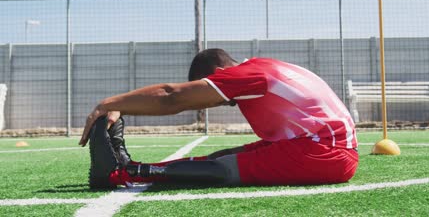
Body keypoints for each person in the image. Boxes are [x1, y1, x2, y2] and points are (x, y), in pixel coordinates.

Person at [80, 48, 358, 189]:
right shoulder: (264, 66)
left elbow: (172, 97)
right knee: (223, 156)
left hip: (323, 152)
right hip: (324, 146)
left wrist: (111, 104)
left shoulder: (243, 76)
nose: (219, 102)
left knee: (222, 170)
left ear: (216, 73)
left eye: (207, 85)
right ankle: (136, 169)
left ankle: (122, 175)